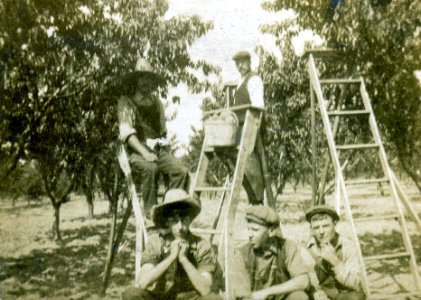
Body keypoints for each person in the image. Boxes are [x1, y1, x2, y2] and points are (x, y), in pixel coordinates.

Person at [118, 58, 189, 218]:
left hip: (156, 150)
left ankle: (170, 211)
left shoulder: (157, 103)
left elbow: (162, 133)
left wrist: (166, 151)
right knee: (151, 169)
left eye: (148, 78)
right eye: (142, 78)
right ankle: (151, 216)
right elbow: (127, 134)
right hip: (136, 152)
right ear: (136, 80)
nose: (145, 82)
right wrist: (145, 153)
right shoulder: (126, 102)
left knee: (181, 171)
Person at [122, 189, 222, 300]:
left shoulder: (202, 245)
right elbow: (142, 283)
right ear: (166, 222)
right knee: (131, 295)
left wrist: (184, 259)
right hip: (161, 297)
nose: (179, 227)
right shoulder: (156, 242)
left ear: (189, 220)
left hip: (191, 298)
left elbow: (205, 289)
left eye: (184, 220)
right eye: (174, 220)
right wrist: (171, 257)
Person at [232, 205, 310, 300]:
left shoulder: (287, 247)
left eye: (255, 230)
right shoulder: (242, 254)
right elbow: (243, 294)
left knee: (300, 296)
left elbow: (303, 281)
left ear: (271, 231)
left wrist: (267, 292)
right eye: (249, 229)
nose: (250, 234)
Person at [304, 205, 365, 300]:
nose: (321, 232)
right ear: (311, 228)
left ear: (335, 224)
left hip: (343, 294)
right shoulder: (307, 249)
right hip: (319, 296)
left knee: (355, 297)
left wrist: (335, 262)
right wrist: (317, 294)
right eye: (316, 227)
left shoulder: (347, 246)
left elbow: (355, 283)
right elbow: (307, 281)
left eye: (325, 226)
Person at [231, 50, 265, 205]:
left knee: (251, 165)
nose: (240, 66)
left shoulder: (254, 80)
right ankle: (253, 199)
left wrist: (253, 131)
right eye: (237, 63)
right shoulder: (240, 81)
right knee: (240, 165)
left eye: (242, 62)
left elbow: (257, 107)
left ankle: (257, 200)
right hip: (239, 127)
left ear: (249, 62)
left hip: (250, 127)